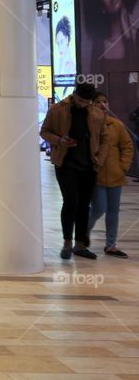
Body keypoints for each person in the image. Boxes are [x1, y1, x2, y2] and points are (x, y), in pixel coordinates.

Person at [41, 81, 103, 259]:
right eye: (81, 100)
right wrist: (60, 140)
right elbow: (44, 131)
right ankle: (67, 242)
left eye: (87, 101)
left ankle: (80, 245)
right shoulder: (58, 109)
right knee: (70, 202)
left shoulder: (96, 113)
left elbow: (105, 137)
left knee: (84, 205)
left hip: (89, 165)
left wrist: (100, 157)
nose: (83, 104)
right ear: (75, 95)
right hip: (66, 163)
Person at [88, 92, 133, 258]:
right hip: (97, 174)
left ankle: (111, 244)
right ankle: (81, 237)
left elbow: (127, 146)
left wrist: (123, 166)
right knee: (98, 209)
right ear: (91, 105)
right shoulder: (89, 124)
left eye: (105, 101)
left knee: (113, 210)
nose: (102, 105)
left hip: (116, 174)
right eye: (98, 102)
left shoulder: (117, 125)